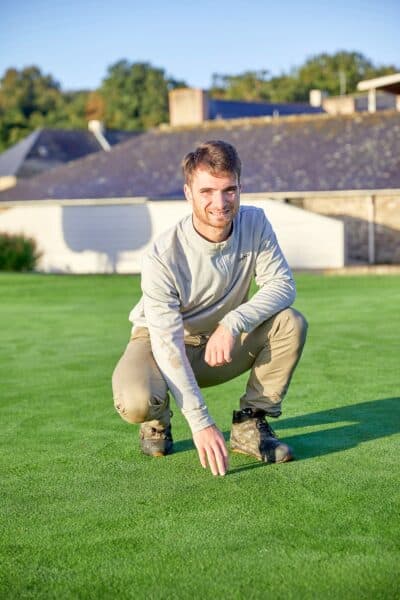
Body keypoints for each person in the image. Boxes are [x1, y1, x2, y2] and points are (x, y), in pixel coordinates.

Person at [112, 140, 307, 477]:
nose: (220, 202)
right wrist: (200, 421)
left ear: (240, 188)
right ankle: (158, 417)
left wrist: (233, 323)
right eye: (207, 191)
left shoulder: (255, 223)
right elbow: (167, 343)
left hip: (220, 342)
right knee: (136, 401)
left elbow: (282, 285)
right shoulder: (163, 255)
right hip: (162, 345)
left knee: (290, 323)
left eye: (229, 190)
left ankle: (249, 426)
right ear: (188, 193)